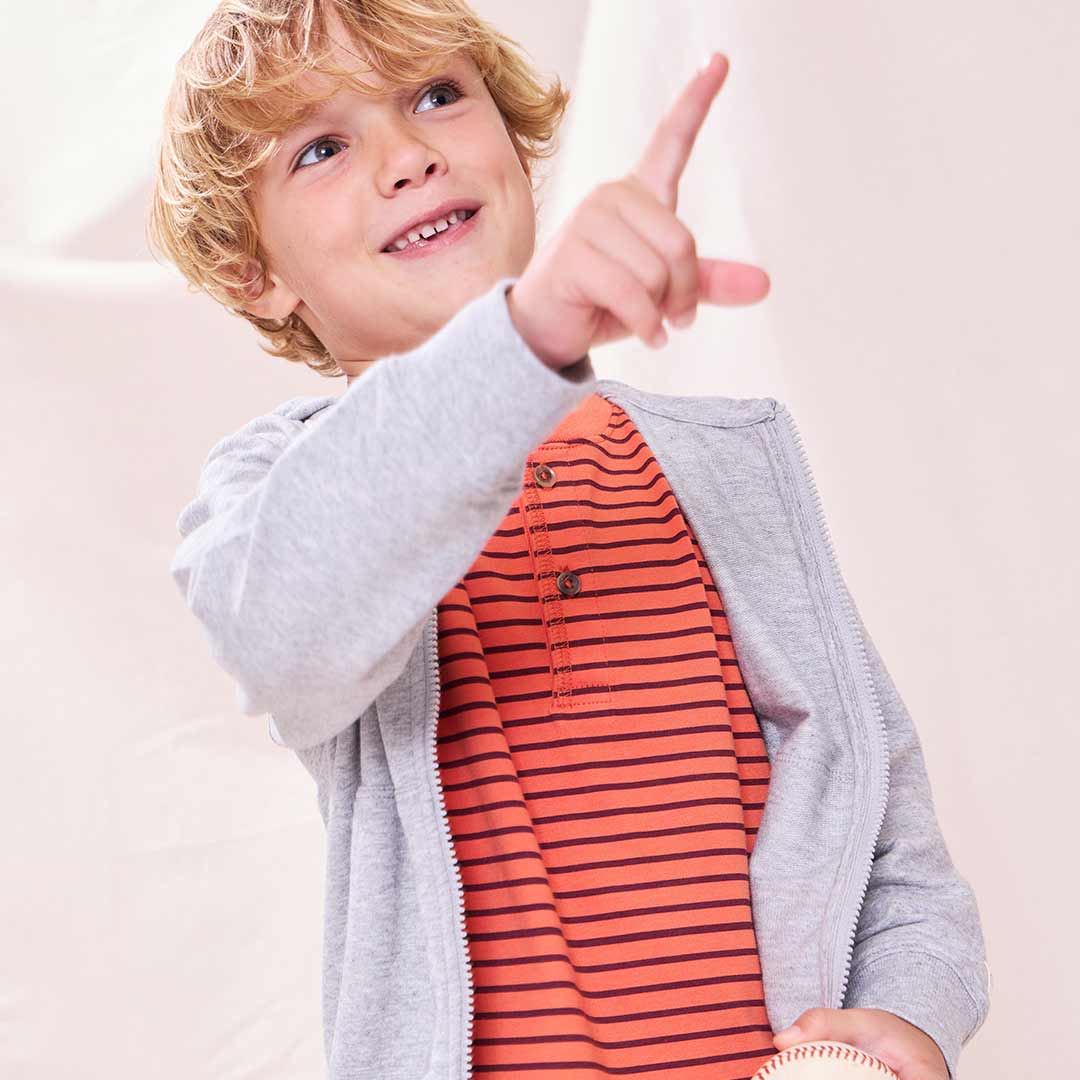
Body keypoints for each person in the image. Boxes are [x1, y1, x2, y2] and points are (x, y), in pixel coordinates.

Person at [150, 3, 991, 1079]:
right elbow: (284, 634)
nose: (407, 156)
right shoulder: (278, 492)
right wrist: (524, 337)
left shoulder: (732, 466)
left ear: (511, 142)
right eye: (321, 148)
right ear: (254, 273)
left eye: (436, 96)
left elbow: (888, 835)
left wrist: (909, 1015)